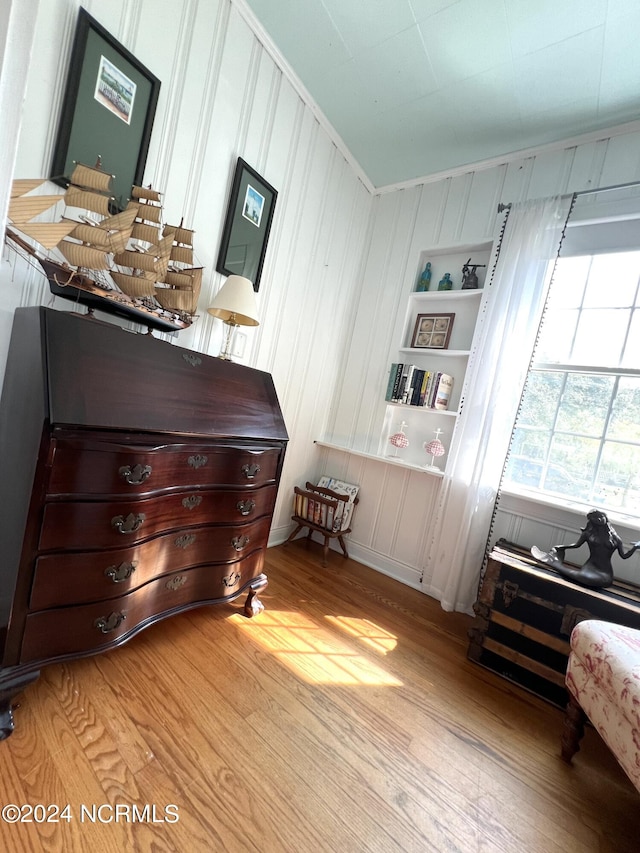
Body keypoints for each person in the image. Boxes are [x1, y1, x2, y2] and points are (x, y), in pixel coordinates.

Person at [531, 509, 640, 589]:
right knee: (585, 577)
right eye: (595, 517)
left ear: (605, 517)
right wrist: (561, 547)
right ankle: (555, 563)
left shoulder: (615, 538)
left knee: (602, 581)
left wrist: (635, 547)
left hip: (605, 573)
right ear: (591, 520)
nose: (599, 519)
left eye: (601, 516)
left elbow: (624, 556)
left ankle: (555, 564)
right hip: (590, 568)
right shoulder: (588, 534)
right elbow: (576, 545)